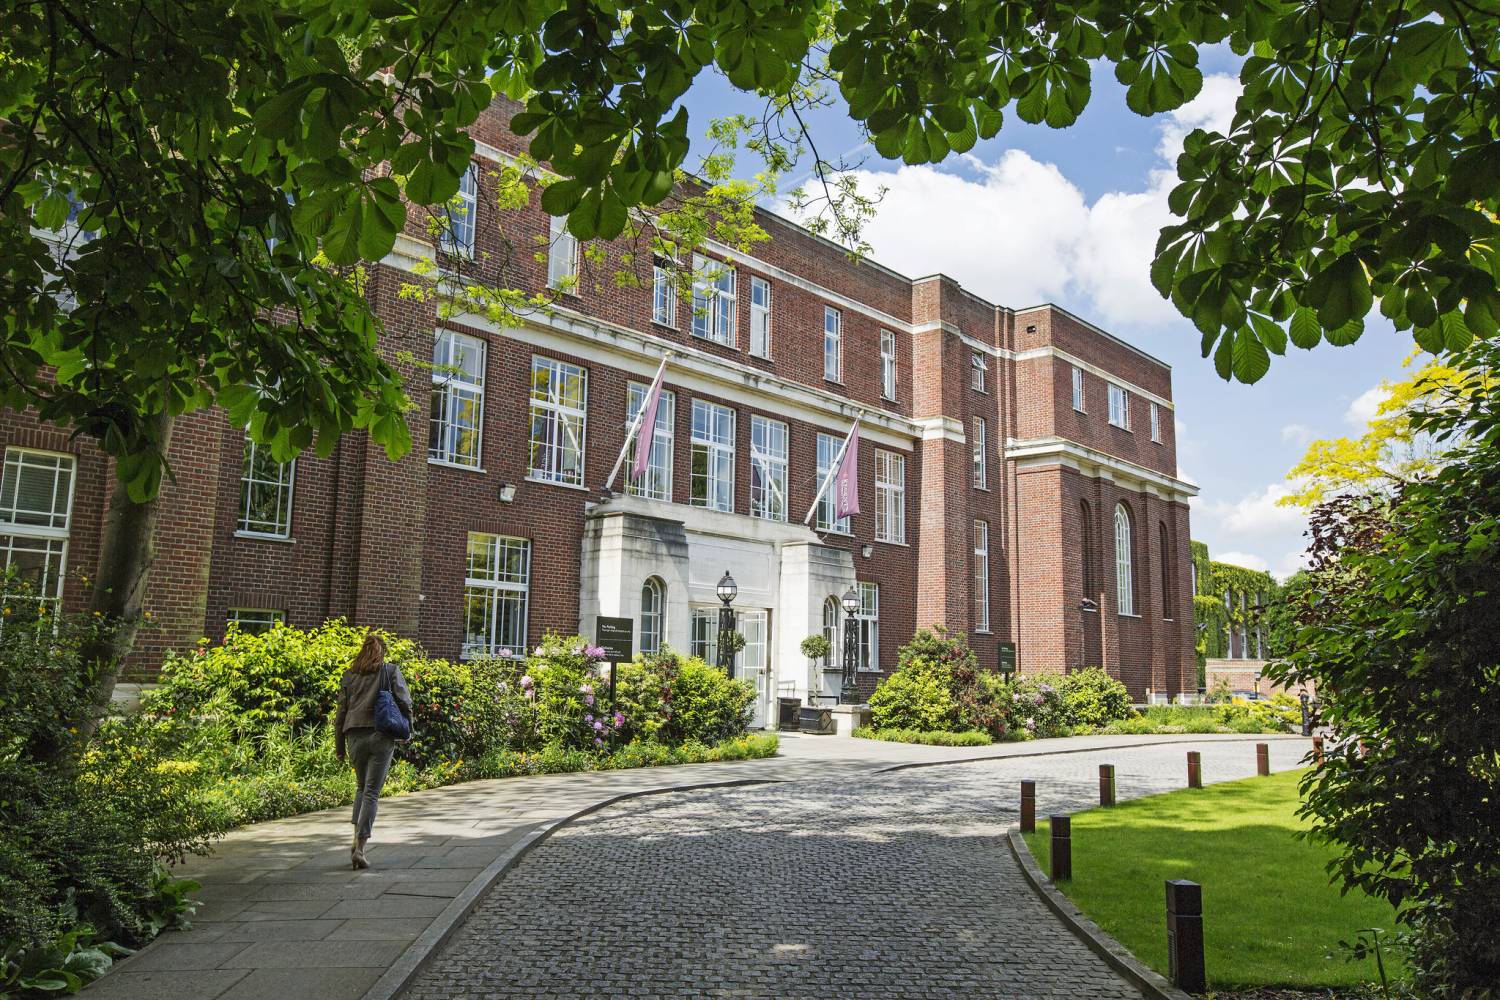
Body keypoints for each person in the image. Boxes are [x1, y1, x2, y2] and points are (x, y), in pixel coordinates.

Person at [334, 633, 412, 870]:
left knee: (361, 788)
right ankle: (360, 848)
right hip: (380, 735)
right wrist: (407, 730)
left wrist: (338, 747)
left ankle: (355, 838)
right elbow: (405, 702)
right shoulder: (389, 671)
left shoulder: (350, 676)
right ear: (382, 652)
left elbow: (340, 715)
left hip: (354, 736)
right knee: (371, 792)